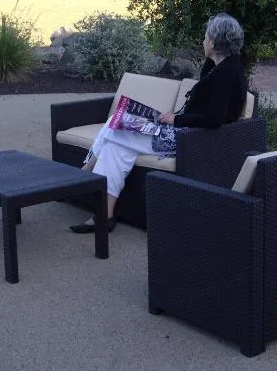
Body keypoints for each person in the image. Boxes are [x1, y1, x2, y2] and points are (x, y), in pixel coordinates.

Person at [69, 12, 248, 233]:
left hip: (189, 141)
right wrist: (174, 117)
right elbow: (205, 107)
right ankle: (104, 216)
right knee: (115, 146)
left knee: (115, 125)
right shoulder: (220, 66)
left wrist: (176, 118)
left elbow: (215, 118)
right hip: (183, 132)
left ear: (213, 42)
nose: (203, 41)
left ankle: (86, 171)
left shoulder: (226, 74)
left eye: (205, 37)